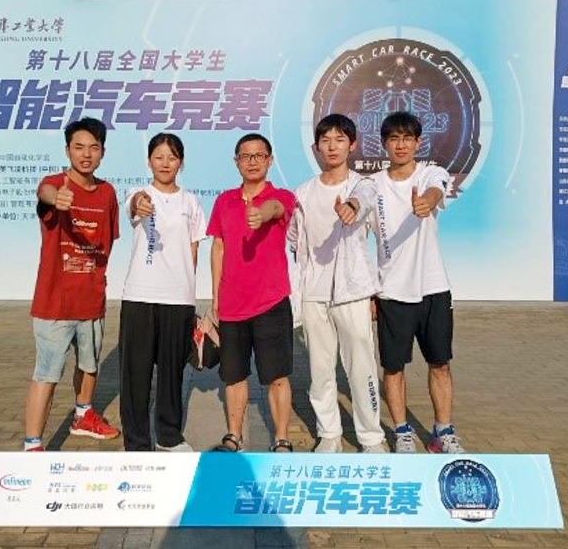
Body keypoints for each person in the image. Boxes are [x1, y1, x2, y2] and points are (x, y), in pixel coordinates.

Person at [352, 111, 464, 454]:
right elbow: (361, 206)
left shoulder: (431, 173)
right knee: (393, 368)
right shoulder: (372, 184)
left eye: (407, 138)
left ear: (418, 143)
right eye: (394, 139)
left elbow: (435, 190)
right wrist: (352, 206)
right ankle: (402, 432)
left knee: (440, 363)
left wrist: (426, 203)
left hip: (433, 288)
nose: (400, 145)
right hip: (391, 292)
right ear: (384, 144)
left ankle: (443, 432)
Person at [288, 114, 385, 453]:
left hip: (351, 291)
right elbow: (295, 240)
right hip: (313, 293)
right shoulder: (303, 192)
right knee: (320, 369)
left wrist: (351, 208)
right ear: (316, 147)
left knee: (361, 367)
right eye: (325, 140)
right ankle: (329, 433)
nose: (332, 146)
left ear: (352, 145)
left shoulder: (363, 185)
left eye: (340, 140)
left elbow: (364, 199)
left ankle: (371, 437)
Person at [23, 117, 121, 452]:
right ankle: (33, 446)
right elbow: (45, 193)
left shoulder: (107, 193)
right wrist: (57, 199)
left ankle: (83, 415)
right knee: (47, 373)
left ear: (102, 152)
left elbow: (108, 241)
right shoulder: (55, 184)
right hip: (54, 303)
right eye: (79, 147)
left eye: (93, 147)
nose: (86, 154)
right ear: (67, 150)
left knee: (89, 364)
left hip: (91, 300)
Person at [207, 133, 296, 452]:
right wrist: (215, 297)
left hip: (271, 301)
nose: (253, 161)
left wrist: (262, 213)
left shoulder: (282, 196)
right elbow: (218, 247)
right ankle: (234, 435)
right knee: (233, 375)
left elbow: (276, 209)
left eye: (259, 155)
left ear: (270, 160)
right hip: (232, 304)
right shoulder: (224, 201)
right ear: (236, 162)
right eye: (246, 156)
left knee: (277, 376)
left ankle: (282, 438)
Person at [119, 133, 207, 452]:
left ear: (181, 162)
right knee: (136, 373)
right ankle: (136, 442)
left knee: (172, 372)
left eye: (172, 157)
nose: (165, 163)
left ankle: (168, 437)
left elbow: (193, 250)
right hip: (140, 295)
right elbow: (135, 205)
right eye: (159, 157)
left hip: (178, 298)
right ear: (149, 161)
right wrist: (141, 205)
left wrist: (190, 295)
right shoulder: (139, 194)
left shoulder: (190, 202)